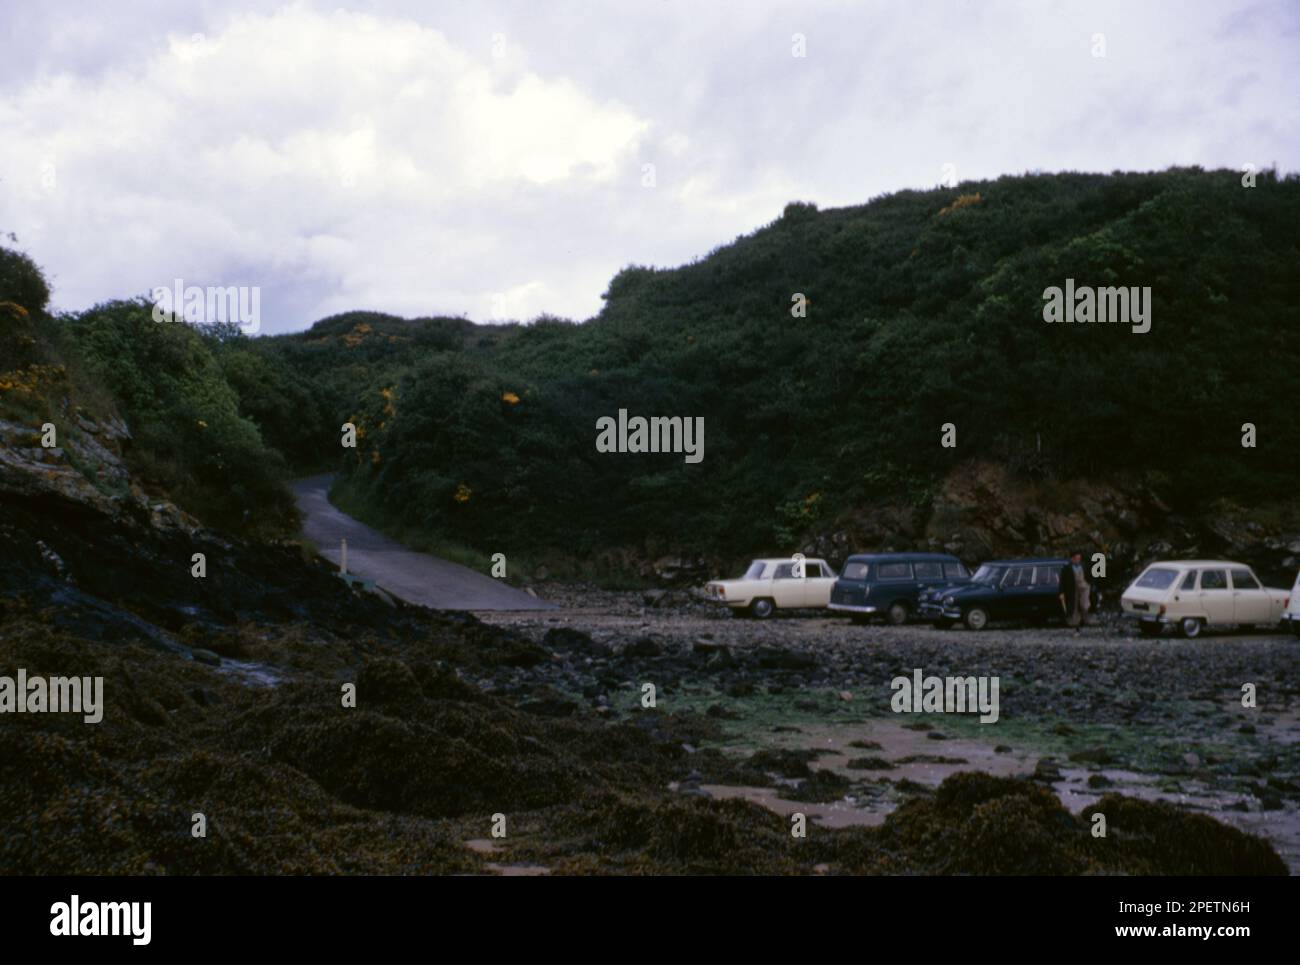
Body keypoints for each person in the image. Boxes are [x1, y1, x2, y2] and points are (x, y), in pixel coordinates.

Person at [1058, 550, 1090, 634]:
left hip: (1083, 587)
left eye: (1079, 558)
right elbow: (1062, 581)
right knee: (1074, 605)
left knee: (1084, 604)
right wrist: (1061, 592)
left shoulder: (1083, 566)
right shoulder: (1067, 567)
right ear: (1072, 559)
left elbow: (1088, 576)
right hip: (1072, 588)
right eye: (1076, 558)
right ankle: (1075, 622)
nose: (1078, 560)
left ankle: (1084, 618)